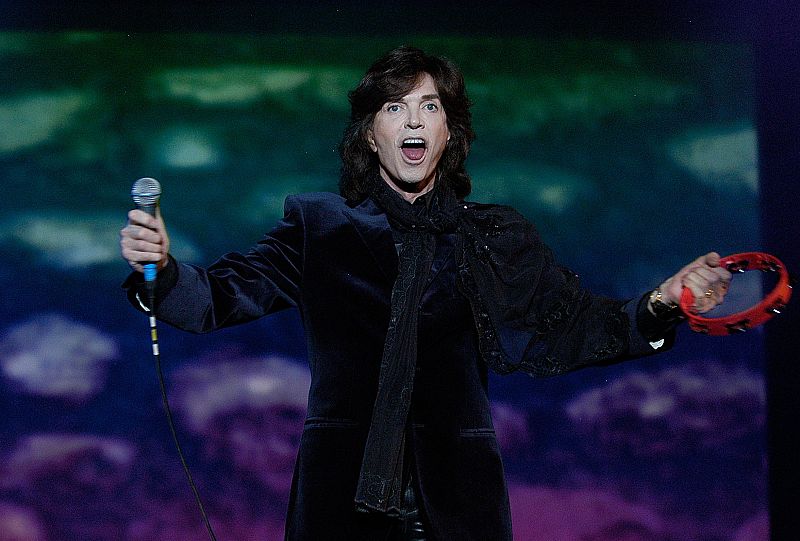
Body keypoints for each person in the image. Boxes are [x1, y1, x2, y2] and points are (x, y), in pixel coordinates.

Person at [120, 46, 731, 541]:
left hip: (458, 506)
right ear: (369, 136)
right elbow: (213, 300)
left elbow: (577, 326)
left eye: (429, 106)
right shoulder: (320, 229)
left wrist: (661, 303)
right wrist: (163, 268)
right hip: (343, 505)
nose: (413, 120)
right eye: (394, 107)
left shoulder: (491, 236)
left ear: (449, 133)